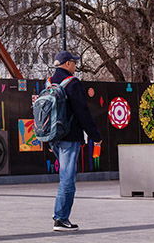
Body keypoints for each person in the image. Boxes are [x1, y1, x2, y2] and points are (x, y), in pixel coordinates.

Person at [49, 50, 102, 232]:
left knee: (64, 177)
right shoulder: (72, 83)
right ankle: (61, 219)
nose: (76, 66)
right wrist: (95, 136)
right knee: (67, 179)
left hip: (53, 137)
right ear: (67, 64)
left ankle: (60, 216)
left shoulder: (49, 82)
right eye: (74, 63)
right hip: (69, 137)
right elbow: (82, 112)